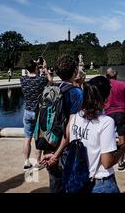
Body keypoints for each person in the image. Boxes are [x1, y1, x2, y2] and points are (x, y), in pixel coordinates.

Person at [68, 76, 125, 193]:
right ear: (106, 97)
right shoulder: (106, 122)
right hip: (100, 182)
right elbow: (107, 163)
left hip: (79, 179)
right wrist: (122, 149)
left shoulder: (76, 117)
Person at [40, 54, 83, 193]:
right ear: (75, 71)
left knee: (55, 184)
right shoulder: (76, 93)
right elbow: (70, 128)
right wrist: (57, 154)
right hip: (65, 149)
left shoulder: (52, 89)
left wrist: (50, 151)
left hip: (49, 143)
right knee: (71, 184)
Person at [20, 59, 53, 170]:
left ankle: (26, 162)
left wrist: (34, 65)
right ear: (36, 68)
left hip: (27, 112)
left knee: (27, 138)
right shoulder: (40, 80)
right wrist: (44, 68)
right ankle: (38, 162)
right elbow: (50, 81)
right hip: (38, 112)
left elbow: (30, 72)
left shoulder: (23, 79)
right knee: (38, 138)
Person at [104, 68, 125, 171]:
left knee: (109, 137)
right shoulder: (122, 84)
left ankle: (108, 159)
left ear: (107, 76)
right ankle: (120, 162)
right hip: (122, 112)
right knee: (122, 138)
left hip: (109, 113)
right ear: (116, 74)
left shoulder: (105, 85)